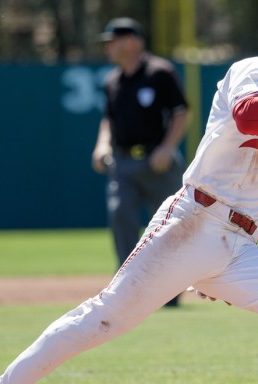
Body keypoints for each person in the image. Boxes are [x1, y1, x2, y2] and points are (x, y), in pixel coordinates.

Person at [0, 3, 258, 383]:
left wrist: (215, 268)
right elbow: (250, 115)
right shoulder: (255, 70)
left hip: (239, 246)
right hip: (194, 225)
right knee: (103, 319)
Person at [92, 17, 189, 306]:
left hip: (158, 163)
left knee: (170, 226)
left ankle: (170, 291)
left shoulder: (160, 72)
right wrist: (101, 145)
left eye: (113, 40)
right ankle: (129, 285)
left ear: (133, 41)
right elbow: (108, 119)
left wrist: (166, 147)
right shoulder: (112, 81)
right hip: (123, 161)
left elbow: (181, 112)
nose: (108, 46)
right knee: (120, 213)